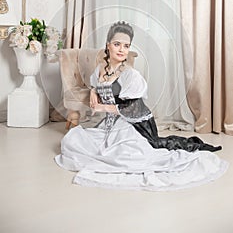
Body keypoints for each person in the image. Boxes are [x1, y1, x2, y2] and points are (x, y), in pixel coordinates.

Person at [55, 21, 228, 191]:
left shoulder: (131, 75)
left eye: (126, 45)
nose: (122, 49)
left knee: (124, 156)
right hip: (109, 124)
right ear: (108, 46)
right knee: (72, 141)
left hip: (133, 124)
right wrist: (93, 91)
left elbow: (132, 108)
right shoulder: (100, 69)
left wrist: (102, 108)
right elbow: (96, 83)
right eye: (117, 44)